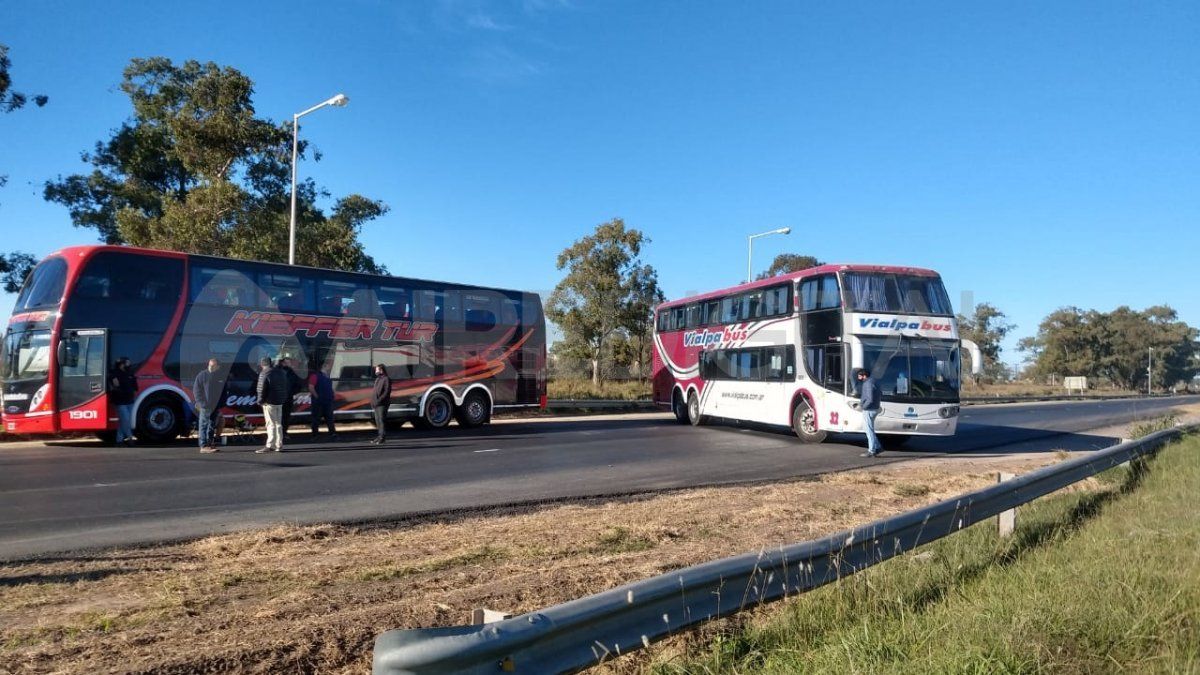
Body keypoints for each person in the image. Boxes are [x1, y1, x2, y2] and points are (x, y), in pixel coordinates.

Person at [193, 358, 227, 453]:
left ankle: (209, 443)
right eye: (210, 365)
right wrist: (202, 403)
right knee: (204, 425)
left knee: (212, 425)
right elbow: (196, 390)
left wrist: (221, 404)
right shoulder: (202, 375)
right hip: (205, 406)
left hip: (215, 406)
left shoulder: (220, 376)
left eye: (213, 366)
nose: (211, 367)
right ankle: (203, 445)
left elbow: (224, 391)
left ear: (218, 367)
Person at [256, 356, 289, 453]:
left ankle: (270, 445)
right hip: (279, 401)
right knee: (278, 424)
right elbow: (286, 386)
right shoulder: (281, 372)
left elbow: (261, 388)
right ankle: (279, 445)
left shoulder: (265, 373)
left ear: (262, 364)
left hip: (269, 402)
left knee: (270, 423)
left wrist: (260, 401)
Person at [110, 357, 137, 446]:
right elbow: (116, 385)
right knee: (126, 419)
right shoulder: (114, 374)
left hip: (130, 401)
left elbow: (135, 386)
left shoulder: (130, 373)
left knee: (123, 421)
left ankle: (119, 441)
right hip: (120, 401)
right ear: (121, 364)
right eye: (127, 363)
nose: (129, 365)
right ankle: (130, 437)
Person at [307, 361, 338, 439]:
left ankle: (332, 433)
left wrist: (332, 395)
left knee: (330, 418)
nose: (329, 367)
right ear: (323, 366)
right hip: (319, 402)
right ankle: (315, 435)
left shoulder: (328, 376)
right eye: (328, 365)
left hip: (327, 401)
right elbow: (311, 387)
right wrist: (317, 397)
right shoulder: (315, 376)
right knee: (316, 418)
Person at [856, 368, 882, 457]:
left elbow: (869, 399)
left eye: (859, 376)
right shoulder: (874, 381)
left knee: (869, 431)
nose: (858, 378)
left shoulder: (868, 383)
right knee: (870, 429)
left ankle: (871, 450)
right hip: (874, 408)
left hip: (869, 410)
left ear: (864, 376)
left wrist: (863, 407)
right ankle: (878, 447)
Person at [278, 357, 302, 439]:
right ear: (282, 363)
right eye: (286, 362)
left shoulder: (292, 373)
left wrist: (291, 392)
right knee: (278, 417)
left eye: (289, 362)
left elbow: (298, 385)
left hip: (288, 399)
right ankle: (278, 433)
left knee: (286, 417)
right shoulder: (276, 372)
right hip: (278, 399)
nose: (288, 364)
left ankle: (284, 432)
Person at [370, 364, 391, 445]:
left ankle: (382, 437)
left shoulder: (386, 379)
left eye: (377, 370)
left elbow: (386, 392)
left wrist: (379, 400)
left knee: (381, 420)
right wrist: (373, 401)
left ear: (381, 370)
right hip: (376, 403)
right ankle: (379, 436)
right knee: (377, 420)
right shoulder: (378, 379)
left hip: (382, 403)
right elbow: (375, 391)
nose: (376, 371)